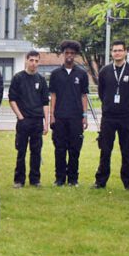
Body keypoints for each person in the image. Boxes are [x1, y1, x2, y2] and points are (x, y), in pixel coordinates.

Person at [95, 40, 129, 191]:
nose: (117, 53)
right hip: (108, 117)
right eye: (114, 50)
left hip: (126, 117)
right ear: (111, 53)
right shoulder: (104, 71)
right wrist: (110, 105)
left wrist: (127, 107)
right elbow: (101, 93)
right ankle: (100, 181)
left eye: (120, 50)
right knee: (105, 150)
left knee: (127, 151)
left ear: (125, 52)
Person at [48, 40, 90, 186]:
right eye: (67, 53)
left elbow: (84, 96)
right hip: (59, 117)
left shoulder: (82, 74)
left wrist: (84, 116)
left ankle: (73, 179)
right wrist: (52, 116)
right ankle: (59, 179)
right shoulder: (55, 74)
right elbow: (53, 95)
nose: (69, 56)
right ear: (63, 54)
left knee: (74, 149)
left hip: (76, 118)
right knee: (59, 148)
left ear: (76, 55)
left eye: (72, 53)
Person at [8, 50, 49, 188]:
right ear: (26, 60)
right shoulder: (18, 78)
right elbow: (12, 100)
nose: (34, 63)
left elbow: (45, 102)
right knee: (21, 151)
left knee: (36, 151)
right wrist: (20, 117)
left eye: (36, 61)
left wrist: (46, 123)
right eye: (31, 60)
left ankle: (35, 180)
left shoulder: (41, 80)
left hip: (37, 121)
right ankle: (19, 180)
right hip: (23, 121)